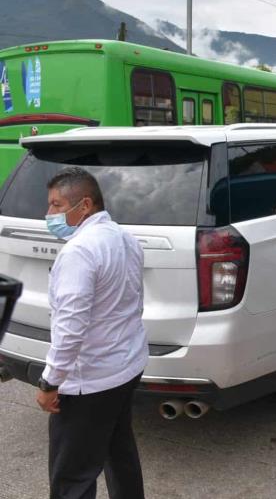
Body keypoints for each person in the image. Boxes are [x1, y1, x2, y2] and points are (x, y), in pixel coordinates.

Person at [36, 167, 147, 499]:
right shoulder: (124, 238)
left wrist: (50, 382)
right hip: (125, 368)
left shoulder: (80, 251)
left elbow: (70, 328)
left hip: (90, 381)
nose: (49, 214)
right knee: (118, 452)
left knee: (73, 476)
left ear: (84, 205)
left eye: (56, 205)